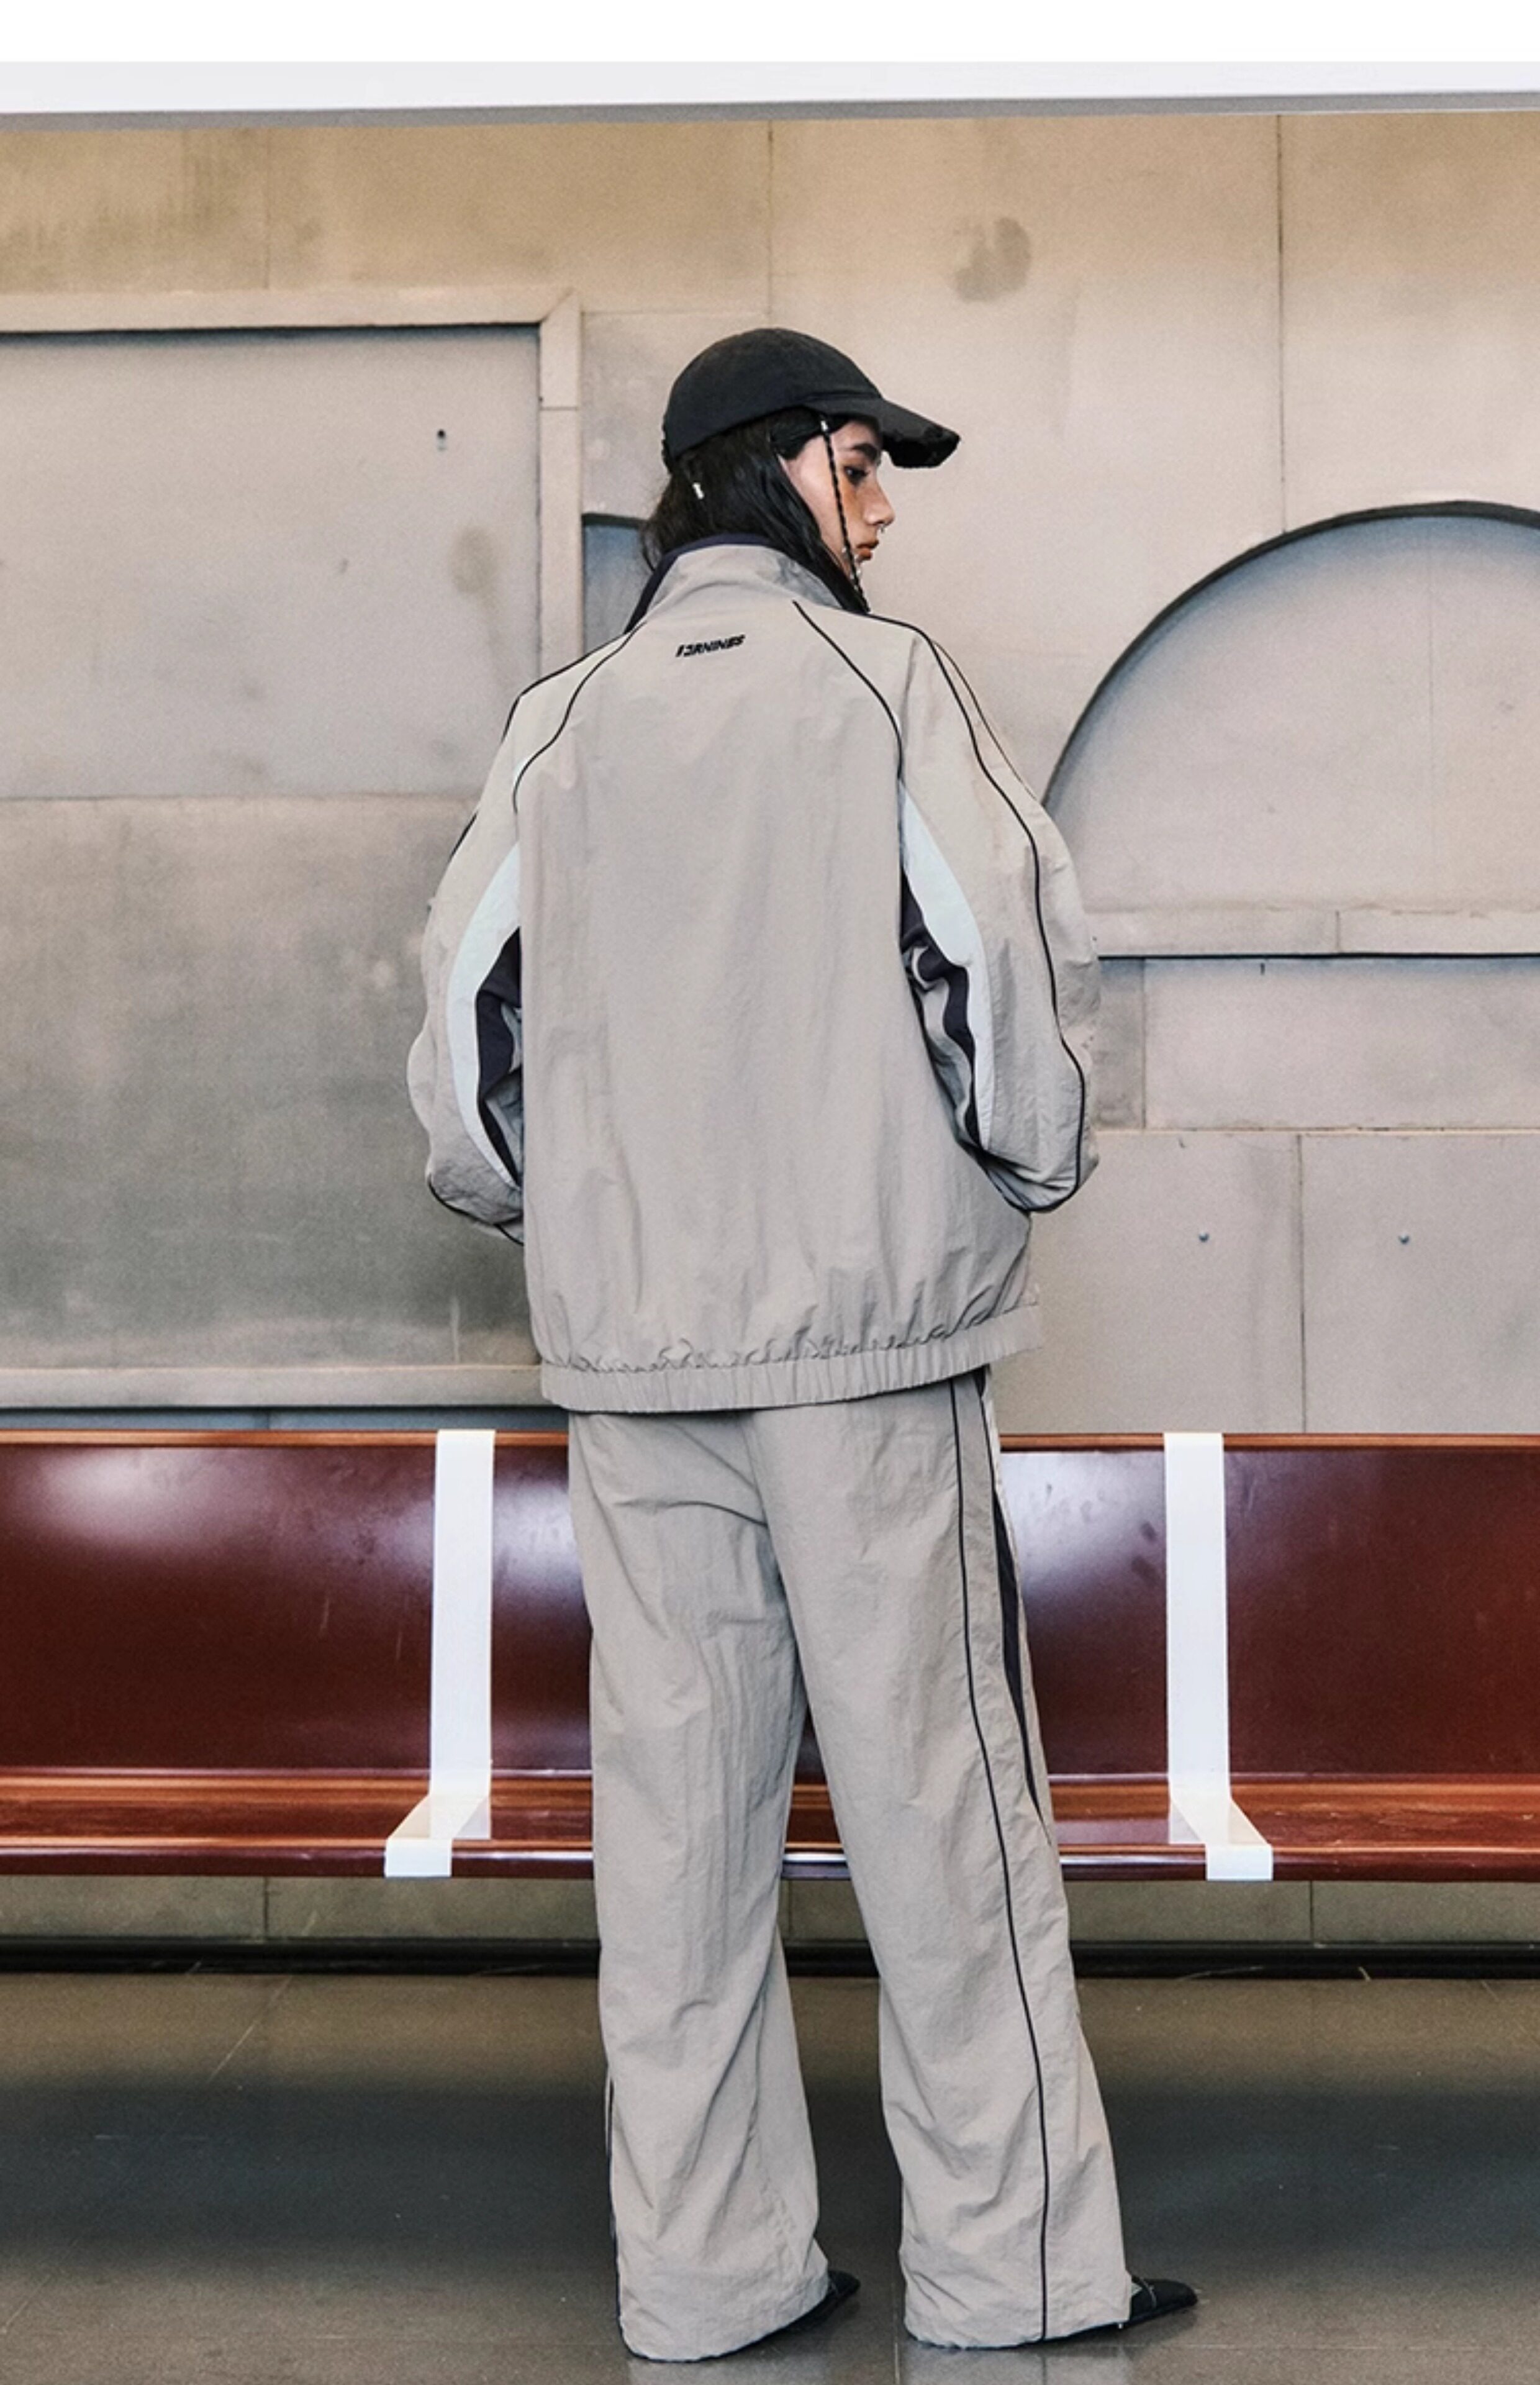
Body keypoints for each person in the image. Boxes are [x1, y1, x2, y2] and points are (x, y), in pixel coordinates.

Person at [408, 327, 1195, 2360]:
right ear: (768, 468)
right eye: (865, 463)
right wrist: (1022, 1169)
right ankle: (1017, 2278)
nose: (887, 506)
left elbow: (465, 1053)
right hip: (866, 1359)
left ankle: (706, 2282)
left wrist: (578, 1219)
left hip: (634, 1368)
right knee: (942, 1823)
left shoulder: (559, 724)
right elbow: (1005, 968)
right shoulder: (888, 684)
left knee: (676, 1843)